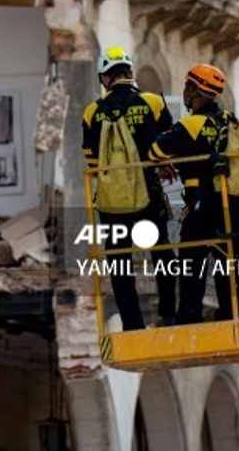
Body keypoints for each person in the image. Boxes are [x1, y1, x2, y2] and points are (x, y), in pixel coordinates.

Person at [82, 46, 177, 330]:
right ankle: (167, 315)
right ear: (131, 73)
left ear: (104, 79)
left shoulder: (91, 113)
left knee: (120, 266)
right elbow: (168, 144)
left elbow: (92, 159)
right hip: (148, 196)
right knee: (162, 255)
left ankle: (132, 324)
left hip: (112, 204)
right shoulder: (152, 103)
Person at [150, 64, 239, 324]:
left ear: (195, 90)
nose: (184, 92)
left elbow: (155, 151)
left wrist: (165, 161)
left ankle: (189, 319)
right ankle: (231, 317)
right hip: (235, 206)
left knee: (191, 263)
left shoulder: (192, 125)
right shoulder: (234, 123)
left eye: (187, 87)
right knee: (228, 265)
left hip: (203, 206)